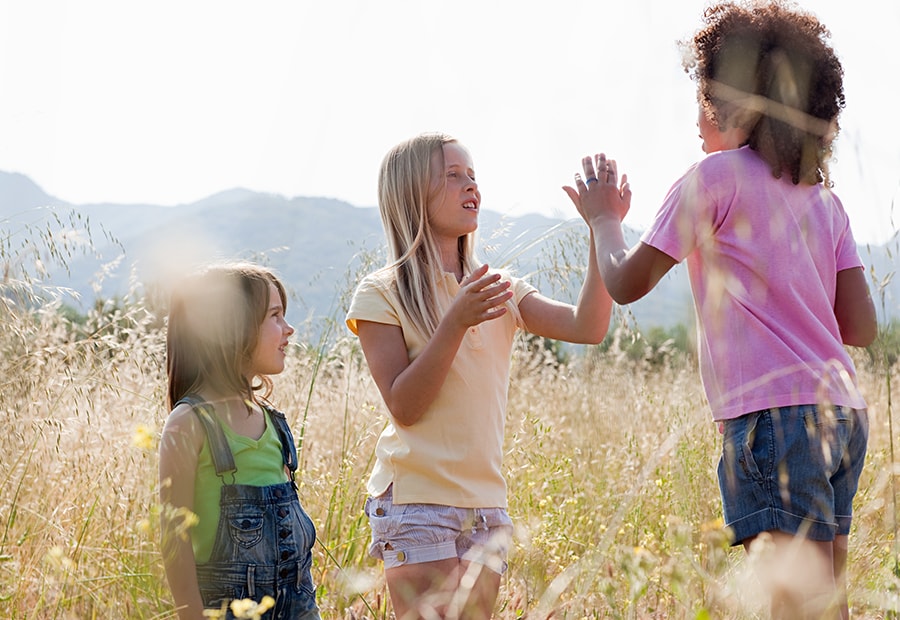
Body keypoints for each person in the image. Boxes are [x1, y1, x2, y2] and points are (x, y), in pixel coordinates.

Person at [565, 2, 877, 618]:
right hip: (843, 413)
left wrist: (604, 221)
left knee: (795, 604)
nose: (698, 116)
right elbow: (861, 328)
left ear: (731, 100)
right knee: (825, 601)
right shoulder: (825, 201)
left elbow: (626, 284)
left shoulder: (714, 178)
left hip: (774, 419)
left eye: (705, 96)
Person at [345, 132, 613, 619]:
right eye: (452, 176)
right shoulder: (382, 292)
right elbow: (404, 407)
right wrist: (456, 321)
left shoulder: (499, 288)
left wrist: (601, 227)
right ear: (410, 194)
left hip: (487, 505)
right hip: (416, 501)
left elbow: (588, 326)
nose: (471, 186)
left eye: (473, 176)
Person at [159, 262, 320, 620]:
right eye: (276, 316)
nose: (289, 329)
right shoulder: (189, 423)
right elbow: (175, 541)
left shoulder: (274, 423)